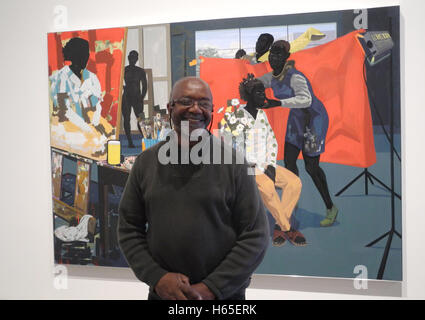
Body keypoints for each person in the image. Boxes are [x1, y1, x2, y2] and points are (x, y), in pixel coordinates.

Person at [118, 76, 269, 300]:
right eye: (186, 101)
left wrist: (211, 289)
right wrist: (157, 277)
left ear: (212, 111)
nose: (195, 109)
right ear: (170, 108)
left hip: (224, 297)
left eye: (204, 103)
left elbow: (255, 236)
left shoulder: (235, 164)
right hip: (164, 294)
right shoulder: (146, 163)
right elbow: (129, 228)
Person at [259, 40, 338, 227]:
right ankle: (291, 203)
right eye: (272, 55)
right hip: (297, 119)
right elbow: (259, 82)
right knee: (289, 162)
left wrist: (277, 103)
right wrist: (249, 83)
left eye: (278, 55)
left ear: (286, 58)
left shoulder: (296, 77)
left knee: (311, 167)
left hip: (314, 118)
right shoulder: (271, 76)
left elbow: (305, 99)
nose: (273, 58)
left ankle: (330, 207)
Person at [220, 74, 305, 246]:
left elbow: (271, 140)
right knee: (267, 187)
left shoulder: (262, 115)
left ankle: (278, 227)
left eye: (263, 92)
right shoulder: (235, 117)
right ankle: (288, 229)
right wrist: (252, 166)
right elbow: (230, 148)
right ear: (249, 96)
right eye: (259, 93)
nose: (263, 97)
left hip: (265, 164)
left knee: (294, 183)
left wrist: (271, 165)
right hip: (246, 168)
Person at [122, 50, 148, 148]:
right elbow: (118, 83)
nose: (132, 59)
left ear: (136, 59)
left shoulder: (141, 71)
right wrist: (123, 88)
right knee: (127, 119)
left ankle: (145, 139)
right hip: (126, 97)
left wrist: (142, 97)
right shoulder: (124, 70)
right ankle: (130, 141)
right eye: (130, 57)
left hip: (137, 97)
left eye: (134, 57)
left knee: (141, 119)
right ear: (128, 58)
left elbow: (145, 86)